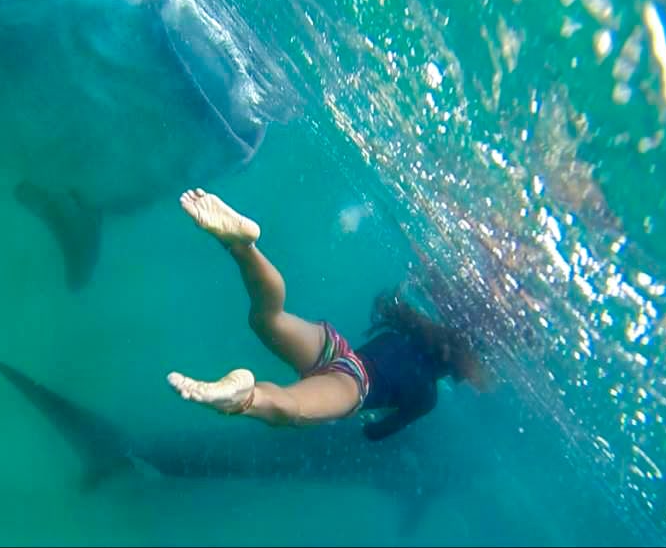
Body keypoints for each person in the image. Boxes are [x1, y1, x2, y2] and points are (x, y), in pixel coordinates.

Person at [167, 188, 491, 441]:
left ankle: (243, 247)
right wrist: (367, 418)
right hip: (352, 385)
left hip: (335, 348)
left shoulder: (408, 331)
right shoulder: (427, 396)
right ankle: (242, 399)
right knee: (289, 409)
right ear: (459, 366)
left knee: (268, 318)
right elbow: (376, 432)